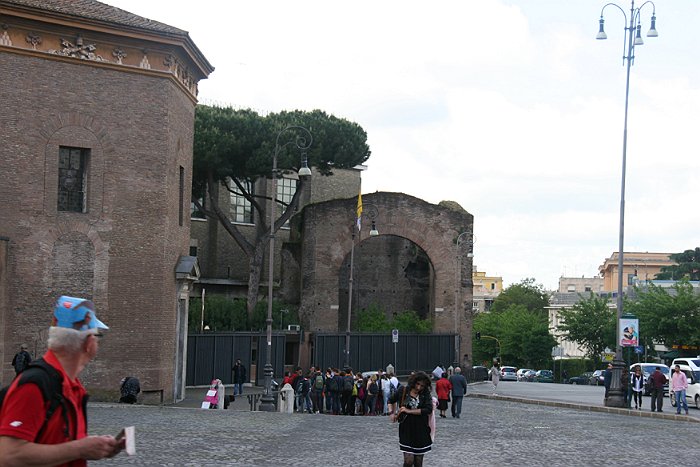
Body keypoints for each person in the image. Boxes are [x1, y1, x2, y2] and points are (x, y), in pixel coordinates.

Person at [0, 295, 124, 466]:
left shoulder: (72, 386)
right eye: (97, 336)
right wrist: (80, 448)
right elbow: (8, 455)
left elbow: (59, 443)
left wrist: (96, 447)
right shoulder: (34, 384)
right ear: (88, 343)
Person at [388, 371, 433, 467]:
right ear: (413, 382)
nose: (419, 387)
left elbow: (428, 409)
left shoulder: (425, 393)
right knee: (408, 461)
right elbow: (390, 400)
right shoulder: (403, 390)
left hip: (421, 429)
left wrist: (409, 411)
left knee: (418, 462)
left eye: (422, 386)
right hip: (406, 429)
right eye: (417, 384)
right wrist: (391, 413)